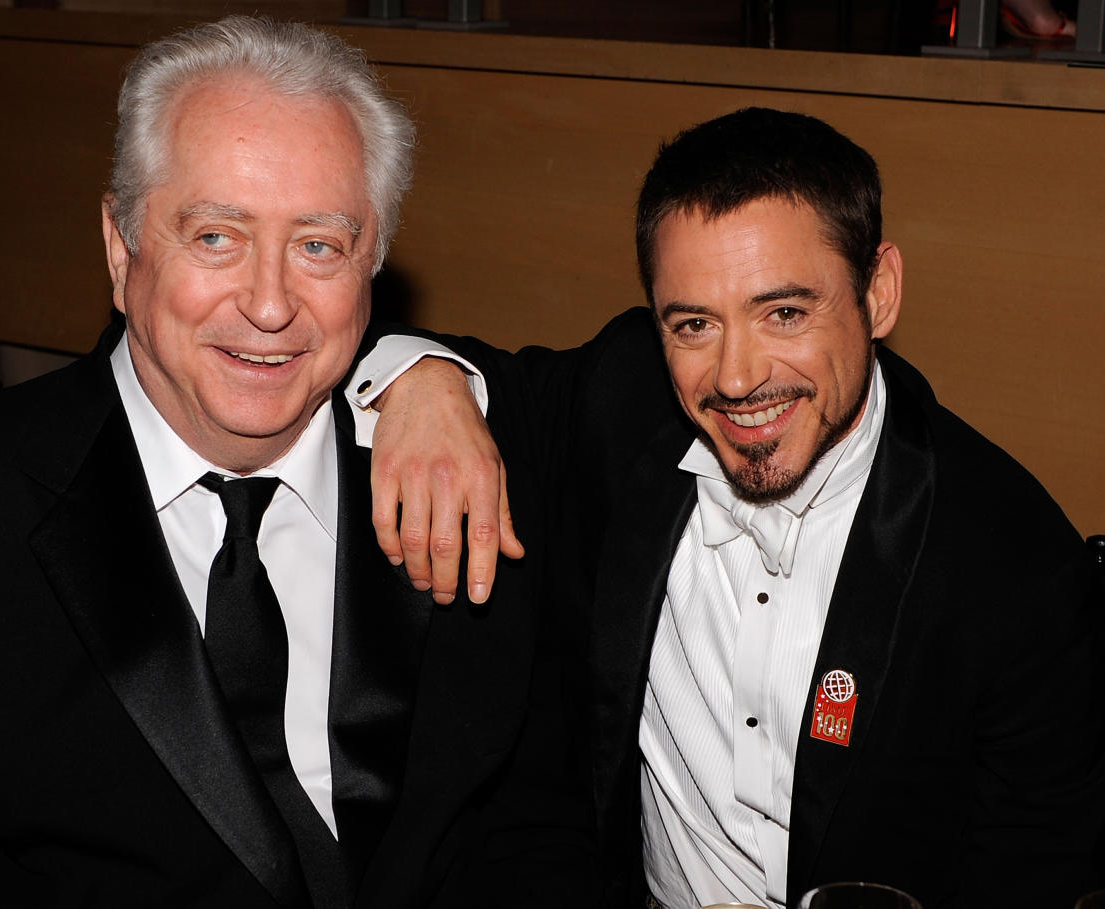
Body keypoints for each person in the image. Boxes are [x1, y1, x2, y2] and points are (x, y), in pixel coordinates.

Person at [0, 17, 593, 907]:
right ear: (119, 246)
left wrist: (428, 367)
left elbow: (535, 836)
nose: (271, 302)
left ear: (373, 265)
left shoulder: (473, 475)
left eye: (319, 245)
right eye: (216, 236)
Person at [364, 107, 1105, 907]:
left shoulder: (1012, 563)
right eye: (693, 324)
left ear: (878, 291)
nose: (738, 376)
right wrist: (423, 383)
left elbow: (1039, 866)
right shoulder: (626, 400)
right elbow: (481, 377)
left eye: (783, 312)